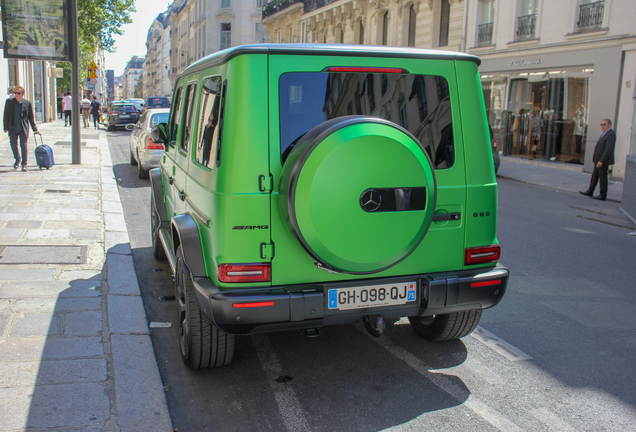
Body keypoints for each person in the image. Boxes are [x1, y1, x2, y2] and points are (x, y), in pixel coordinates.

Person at [3, 86, 39, 171]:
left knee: (23, 145)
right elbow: (6, 115)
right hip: (13, 128)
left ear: (23, 94)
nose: (16, 95)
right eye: (15, 93)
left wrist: (35, 129)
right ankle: (17, 158)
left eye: (18, 93)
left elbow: (30, 117)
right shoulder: (9, 102)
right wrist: (5, 127)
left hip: (23, 128)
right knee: (13, 145)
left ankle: (24, 164)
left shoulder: (27, 103)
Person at [579, 118, 616, 201]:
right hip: (598, 160)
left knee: (603, 178)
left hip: (602, 161)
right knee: (594, 176)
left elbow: (608, 149)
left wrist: (602, 160)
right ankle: (590, 191)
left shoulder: (611, 134)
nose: (602, 126)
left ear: (609, 125)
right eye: (601, 124)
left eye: (604, 124)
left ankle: (602, 195)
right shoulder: (605, 133)